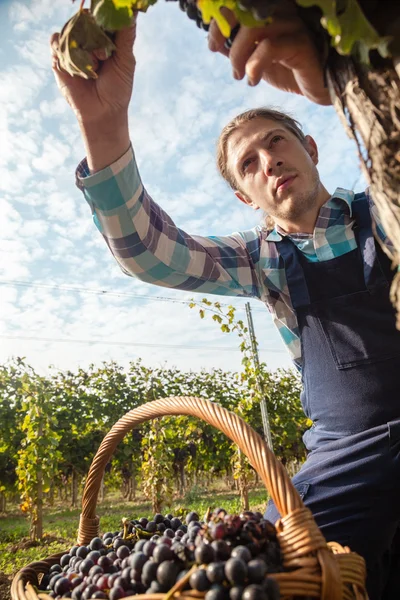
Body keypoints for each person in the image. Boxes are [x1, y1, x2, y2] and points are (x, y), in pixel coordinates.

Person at [51, 11, 400, 599]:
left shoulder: (385, 203)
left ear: (309, 147)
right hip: (346, 457)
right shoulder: (260, 258)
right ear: (246, 195)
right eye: (249, 164)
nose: (269, 163)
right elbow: (151, 252)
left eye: (276, 142)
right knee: (280, 570)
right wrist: (102, 123)